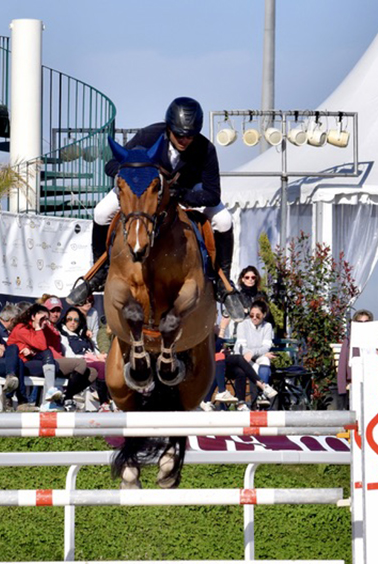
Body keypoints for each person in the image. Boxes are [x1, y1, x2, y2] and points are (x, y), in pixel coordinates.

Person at [67, 96, 241, 316]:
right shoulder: (149, 136)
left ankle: (223, 283)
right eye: (179, 134)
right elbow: (112, 163)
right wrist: (130, 175)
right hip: (142, 190)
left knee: (224, 220)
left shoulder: (205, 149)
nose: (184, 140)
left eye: (190, 135)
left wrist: (185, 195)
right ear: (169, 128)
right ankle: (99, 272)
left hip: (187, 192)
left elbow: (213, 194)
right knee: (100, 212)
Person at [7, 302, 96, 407]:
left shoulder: (46, 328)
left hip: (45, 361)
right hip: (26, 364)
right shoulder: (22, 328)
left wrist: (50, 329)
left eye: (46, 319)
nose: (45, 321)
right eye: (42, 318)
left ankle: (64, 397)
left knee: (93, 372)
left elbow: (52, 344)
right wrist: (38, 328)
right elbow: (43, 347)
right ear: (33, 316)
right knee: (80, 363)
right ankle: (67, 398)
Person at [59, 305, 110, 409]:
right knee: (101, 366)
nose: (72, 322)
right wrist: (90, 358)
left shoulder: (81, 336)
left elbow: (91, 350)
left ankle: (105, 398)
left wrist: (97, 355)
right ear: (65, 320)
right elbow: (68, 354)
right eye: (69, 319)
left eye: (76, 320)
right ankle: (103, 402)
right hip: (76, 362)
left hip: (87, 361)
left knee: (101, 368)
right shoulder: (63, 334)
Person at [235, 300, 278, 392]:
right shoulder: (242, 325)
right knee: (257, 369)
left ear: (264, 315)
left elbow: (266, 347)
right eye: (251, 315)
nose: (254, 318)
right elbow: (241, 347)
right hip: (243, 359)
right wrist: (253, 353)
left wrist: (253, 352)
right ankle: (263, 392)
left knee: (265, 360)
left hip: (257, 356)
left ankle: (262, 394)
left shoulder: (267, 326)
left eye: (258, 315)